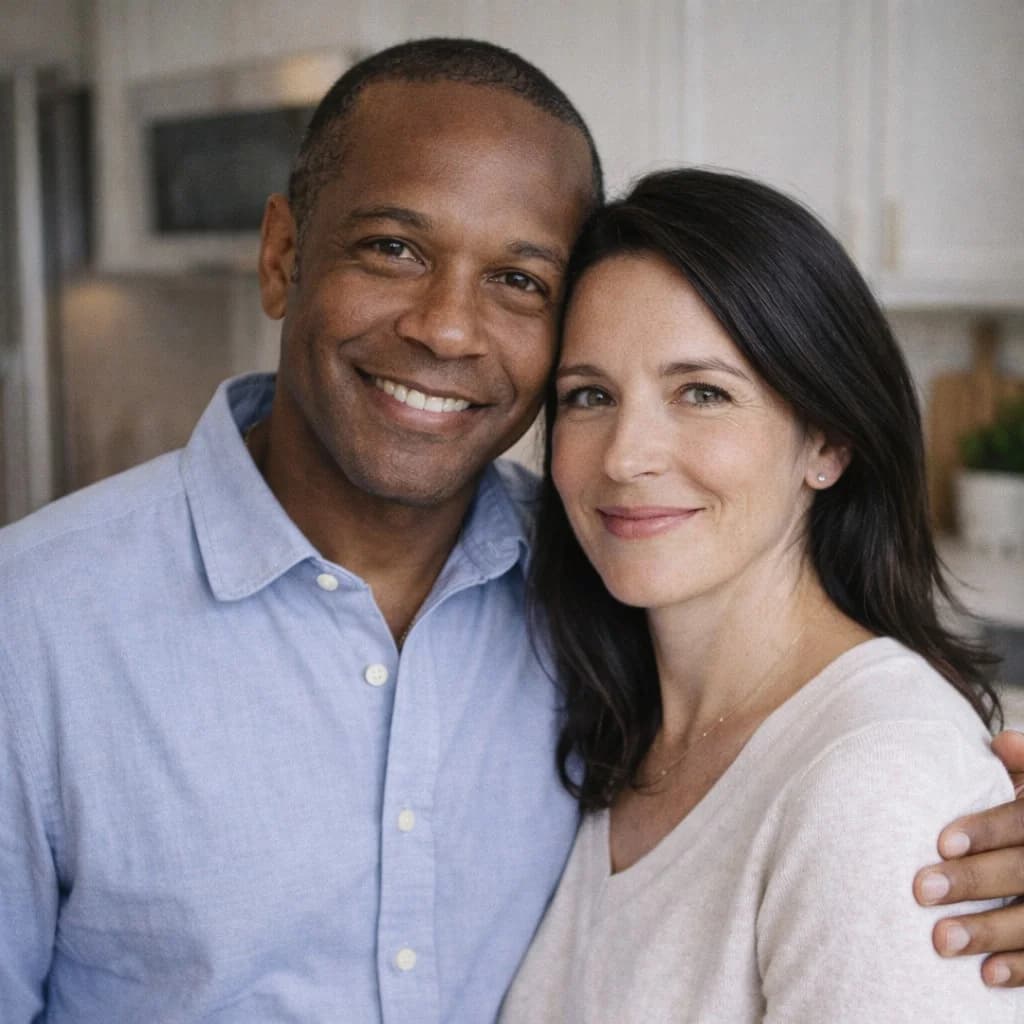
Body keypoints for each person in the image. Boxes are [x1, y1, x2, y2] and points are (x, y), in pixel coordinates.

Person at [0, 38, 1021, 1024]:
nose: (446, 328)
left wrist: (923, 785)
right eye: (393, 248)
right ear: (280, 257)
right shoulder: (34, 627)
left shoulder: (613, 593)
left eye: (519, 281)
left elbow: (860, 779)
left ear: (826, 441)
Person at [499, 168, 1019, 1021]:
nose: (626, 456)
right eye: (589, 396)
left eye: (701, 393)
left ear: (828, 441)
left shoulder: (877, 785)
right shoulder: (611, 722)